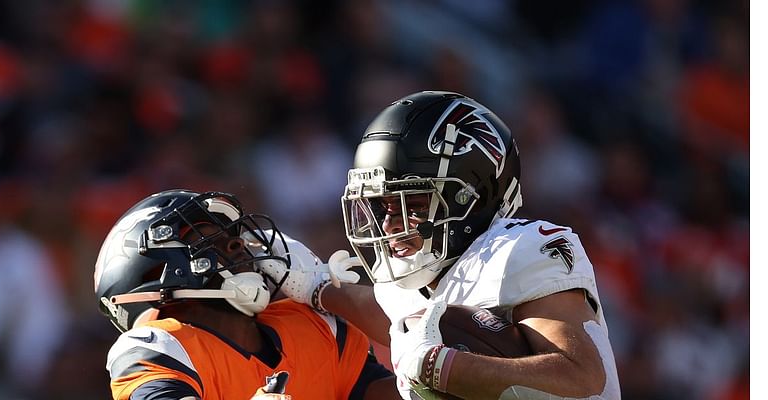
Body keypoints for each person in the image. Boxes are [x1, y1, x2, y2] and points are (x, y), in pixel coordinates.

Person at [258, 91, 621, 399]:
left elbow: (585, 383)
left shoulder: (517, 251)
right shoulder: (431, 268)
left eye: (412, 205)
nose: (388, 224)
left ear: (470, 198)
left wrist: (441, 366)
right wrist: (315, 284)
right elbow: (400, 316)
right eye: (382, 206)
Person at [93, 189, 401, 400]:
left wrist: (320, 288)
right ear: (154, 272)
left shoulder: (310, 327)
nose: (237, 246)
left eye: (232, 237)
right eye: (208, 240)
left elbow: (415, 375)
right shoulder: (161, 348)